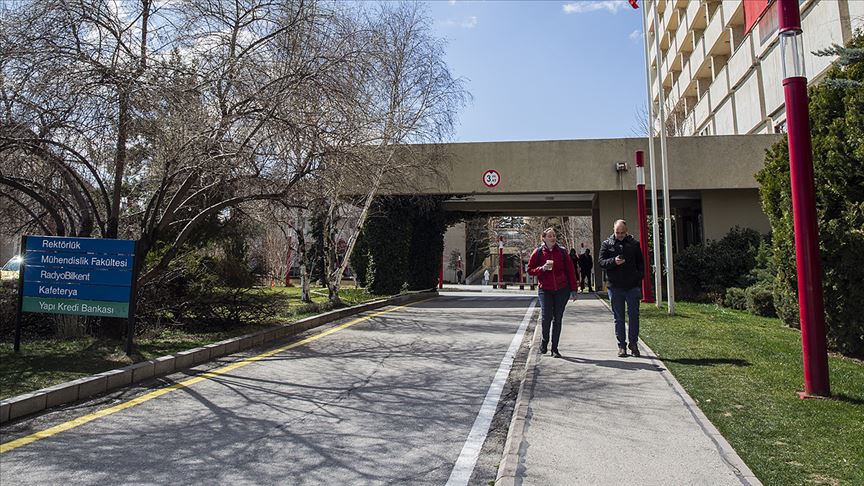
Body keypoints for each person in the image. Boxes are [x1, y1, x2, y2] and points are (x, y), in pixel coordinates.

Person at [528, 228, 579, 358]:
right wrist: (542, 268)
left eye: (554, 236)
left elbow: (570, 271)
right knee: (546, 317)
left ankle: (555, 348)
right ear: (544, 238)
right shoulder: (538, 252)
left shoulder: (562, 252)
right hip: (545, 290)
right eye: (550, 236)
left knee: (558, 318)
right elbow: (530, 270)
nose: (552, 238)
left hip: (562, 290)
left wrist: (574, 289)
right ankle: (544, 341)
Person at [599, 220, 645, 358]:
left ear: (626, 231)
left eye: (622, 233)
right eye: (617, 232)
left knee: (634, 316)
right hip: (615, 287)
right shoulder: (607, 244)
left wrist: (638, 277)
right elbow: (601, 262)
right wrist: (614, 261)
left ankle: (633, 344)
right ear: (613, 230)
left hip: (632, 287)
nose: (620, 235)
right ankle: (621, 346)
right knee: (618, 318)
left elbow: (641, 264)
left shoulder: (634, 244)